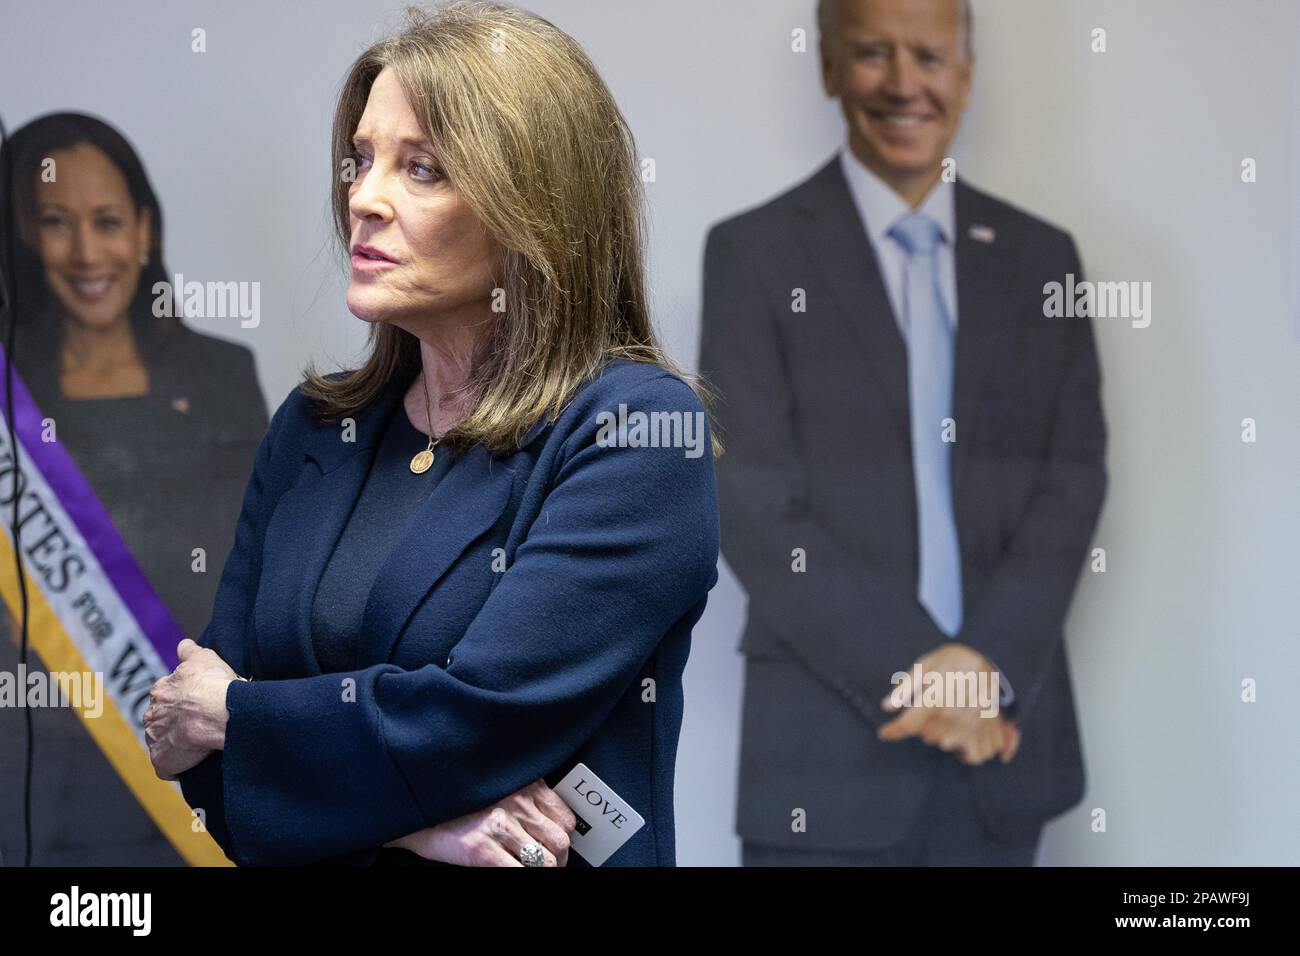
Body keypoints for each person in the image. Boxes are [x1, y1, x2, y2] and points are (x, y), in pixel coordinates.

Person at [144, 1, 721, 868]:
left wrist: (238, 715)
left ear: (536, 210)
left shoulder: (638, 434)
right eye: (363, 159)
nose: (363, 200)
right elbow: (208, 776)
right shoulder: (315, 428)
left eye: (423, 169)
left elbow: (471, 720)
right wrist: (418, 822)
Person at [699, 0, 1107, 865]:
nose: (903, 82)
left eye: (929, 55)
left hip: (1001, 746)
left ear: (966, 72)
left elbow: (1072, 480)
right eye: (874, 53)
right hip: (821, 757)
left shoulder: (1043, 259)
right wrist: (932, 673)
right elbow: (752, 504)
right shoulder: (752, 253)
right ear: (830, 68)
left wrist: (983, 668)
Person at [0, 112, 267, 865]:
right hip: (36, 776)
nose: (87, 252)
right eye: (54, 221)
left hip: (202, 766)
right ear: (21, 234)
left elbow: (262, 564)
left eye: (108, 220)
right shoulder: (6, 392)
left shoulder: (223, 375)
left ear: (144, 227)